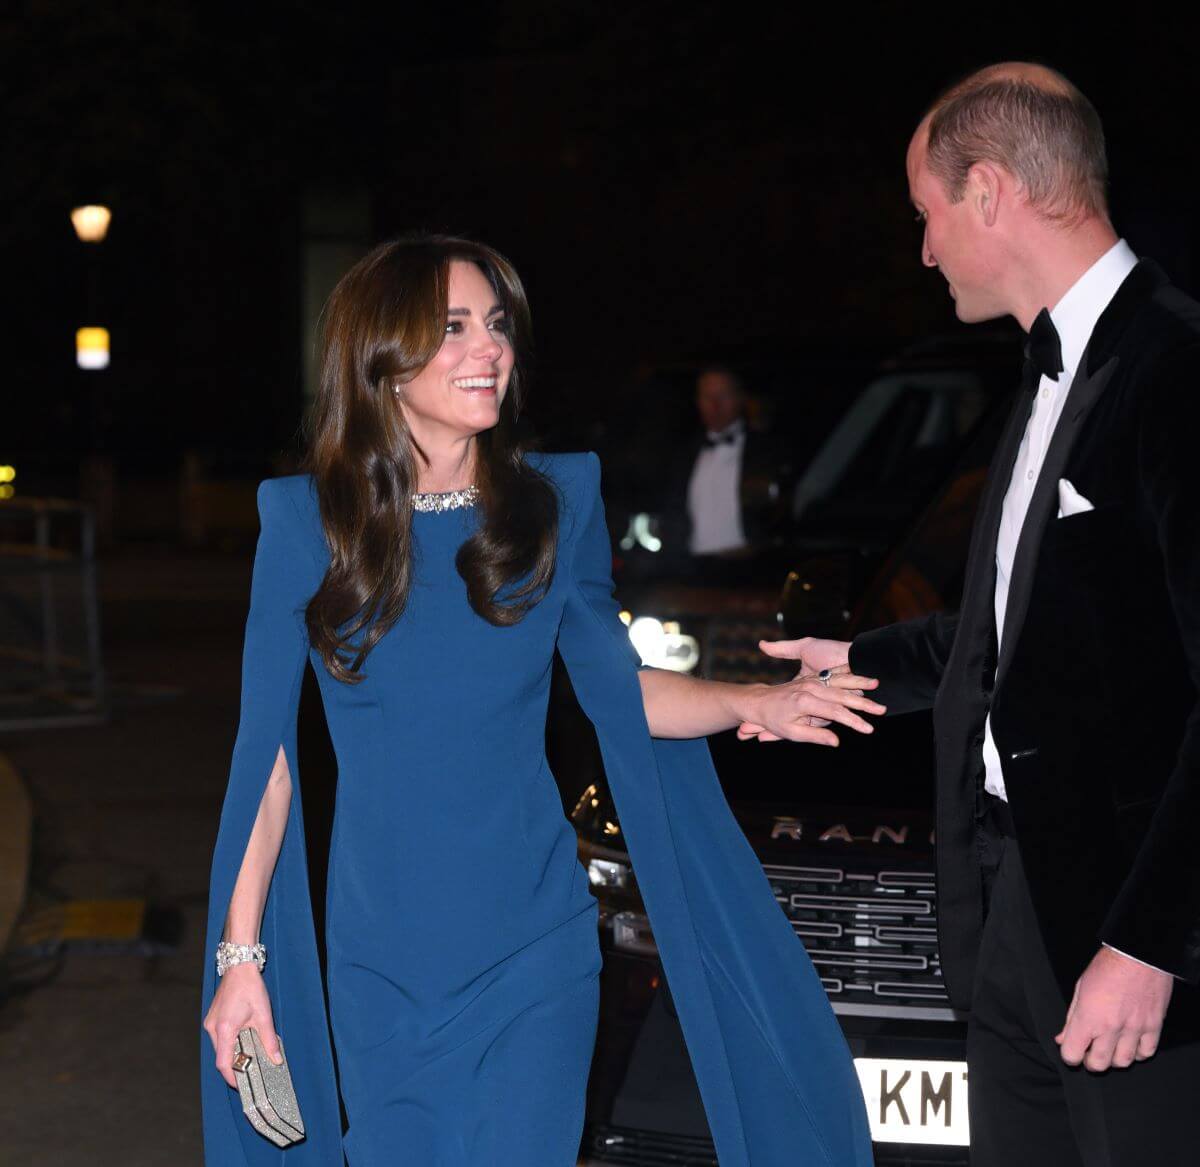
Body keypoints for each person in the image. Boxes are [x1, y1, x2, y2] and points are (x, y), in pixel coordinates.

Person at [200, 235, 880, 1166]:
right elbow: (267, 762)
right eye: (452, 328)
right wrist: (242, 961)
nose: (490, 348)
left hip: (536, 949)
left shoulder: (554, 504)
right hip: (380, 967)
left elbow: (619, 687)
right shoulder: (305, 521)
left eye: (497, 324)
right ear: (382, 361)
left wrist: (753, 701)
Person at [753, 63, 1200, 1165]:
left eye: (927, 212)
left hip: (1123, 935)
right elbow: (1016, 635)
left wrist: (1150, 946)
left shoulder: (1179, 371)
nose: (923, 249)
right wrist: (854, 659)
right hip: (1010, 912)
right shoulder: (1044, 376)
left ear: (990, 191)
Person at [661, 365, 792, 562]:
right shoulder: (683, 453)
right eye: (707, 397)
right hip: (691, 569)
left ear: (740, 398)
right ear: (698, 401)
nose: (714, 405)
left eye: (723, 396)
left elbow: (783, 507)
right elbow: (672, 508)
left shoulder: (766, 450)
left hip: (750, 567)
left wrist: (762, 546)